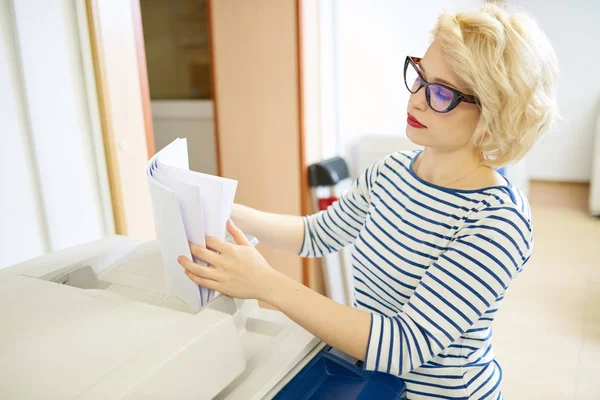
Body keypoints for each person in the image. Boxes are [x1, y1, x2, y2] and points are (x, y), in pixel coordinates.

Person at [178, 3, 558, 399]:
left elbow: (404, 345)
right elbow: (316, 234)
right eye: (420, 76)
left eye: (442, 93)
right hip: (374, 383)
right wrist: (226, 210)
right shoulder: (392, 171)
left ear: (494, 113)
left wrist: (266, 284)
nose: (416, 100)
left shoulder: (498, 220)